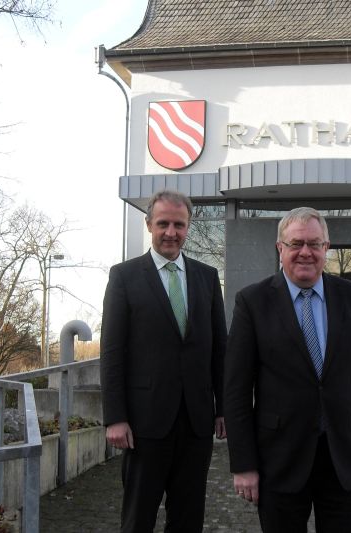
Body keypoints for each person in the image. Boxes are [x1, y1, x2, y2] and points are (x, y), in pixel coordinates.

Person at [224, 206, 351, 533]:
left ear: (326, 248)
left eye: (315, 244)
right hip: (280, 460)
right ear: (280, 248)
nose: (305, 252)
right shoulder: (252, 302)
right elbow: (237, 392)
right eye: (296, 243)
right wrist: (244, 465)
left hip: (345, 457)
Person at [100, 190, 227, 533]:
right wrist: (115, 417)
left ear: (188, 226)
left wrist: (222, 408)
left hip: (196, 422)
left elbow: (219, 348)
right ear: (148, 225)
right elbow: (112, 352)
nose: (171, 232)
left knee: (188, 520)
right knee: (138, 519)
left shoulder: (207, 277)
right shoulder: (124, 276)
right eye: (163, 224)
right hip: (144, 424)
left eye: (179, 224)